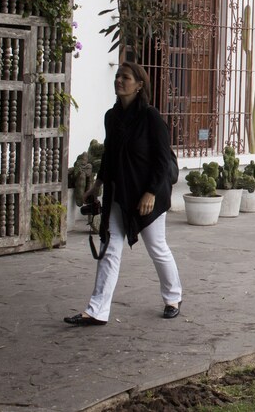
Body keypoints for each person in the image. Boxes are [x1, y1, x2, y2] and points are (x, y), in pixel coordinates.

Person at [64, 61, 182, 326]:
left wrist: (150, 193)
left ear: (139, 85)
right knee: (109, 248)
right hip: (121, 194)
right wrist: (96, 186)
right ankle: (97, 310)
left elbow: (162, 160)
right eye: (117, 76)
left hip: (149, 195)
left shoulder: (151, 117)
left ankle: (173, 297)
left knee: (157, 247)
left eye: (125, 77)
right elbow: (110, 156)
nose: (119, 80)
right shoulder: (112, 116)